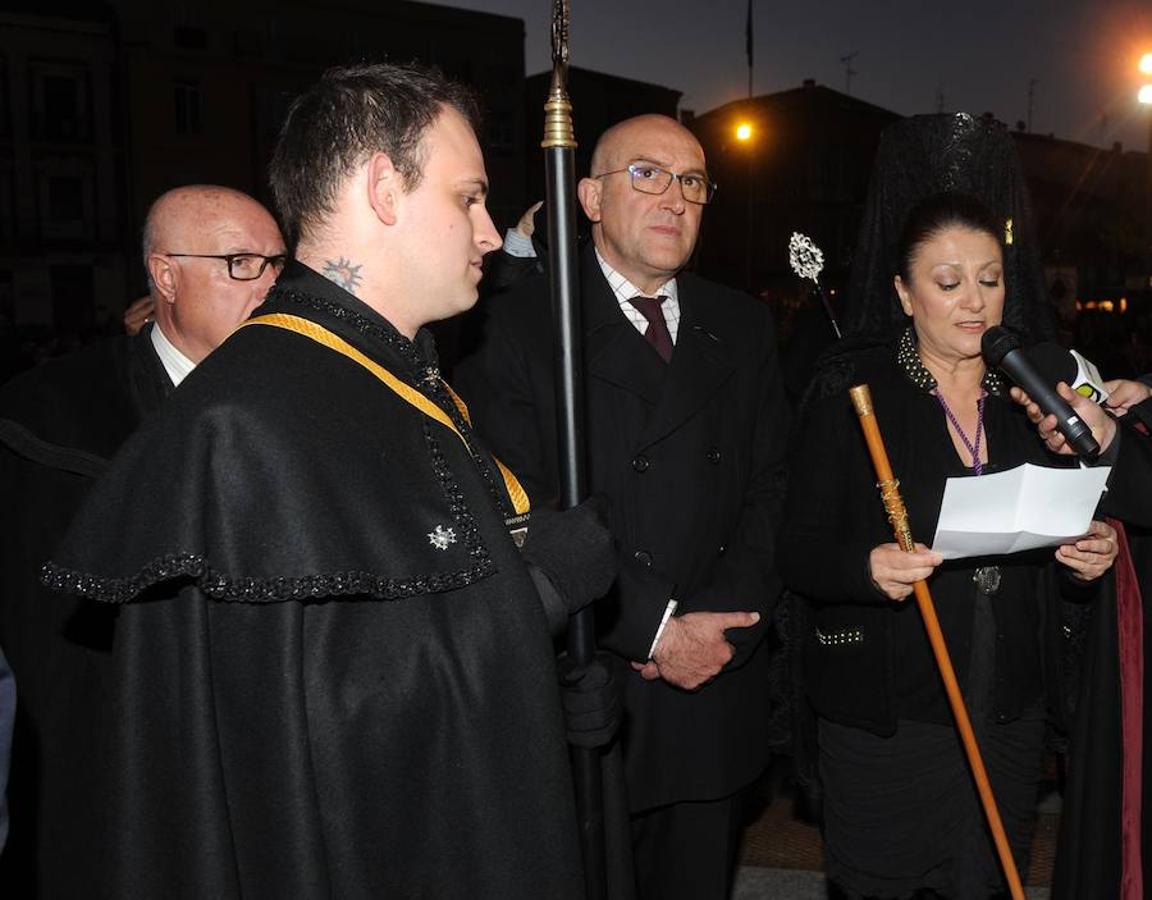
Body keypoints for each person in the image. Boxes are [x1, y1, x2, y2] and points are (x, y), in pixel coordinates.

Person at [42, 63, 613, 897]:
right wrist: (542, 594)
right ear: (384, 187)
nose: (490, 233)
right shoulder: (246, 420)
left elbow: (415, 630)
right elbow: (317, 727)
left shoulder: (386, 379)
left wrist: (543, 688)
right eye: (468, 198)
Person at [456, 113, 789, 899]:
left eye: (694, 182)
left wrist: (725, 625)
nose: (675, 199)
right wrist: (650, 626)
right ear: (590, 198)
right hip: (592, 674)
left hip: (715, 681)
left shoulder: (740, 323)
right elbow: (514, 500)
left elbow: (774, 485)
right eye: (648, 175)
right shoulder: (515, 322)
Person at [780, 191, 1118, 899]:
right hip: (891, 714)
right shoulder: (855, 389)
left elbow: (1069, 534)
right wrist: (864, 566)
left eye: (990, 280)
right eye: (948, 281)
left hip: (1009, 704)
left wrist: (1088, 562)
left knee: (989, 883)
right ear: (904, 292)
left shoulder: (1030, 395)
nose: (975, 302)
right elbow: (797, 549)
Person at [0, 184, 283, 893]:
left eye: (279, 264)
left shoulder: (304, 403)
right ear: (165, 276)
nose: (272, 286)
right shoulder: (56, 417)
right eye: (241, 264)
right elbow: (51, 651)